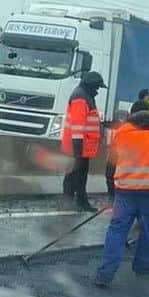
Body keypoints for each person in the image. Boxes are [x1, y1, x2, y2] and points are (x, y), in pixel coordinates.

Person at [94, 102, 149, 287]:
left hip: (125, 191)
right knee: (148, 229)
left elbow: (111, 165)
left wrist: (112, 191)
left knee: (118, 230)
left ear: (132, 114)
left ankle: (105, 274)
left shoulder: (123, 132)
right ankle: (143, 269)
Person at [61, 71, 104, 212]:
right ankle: (75, 201)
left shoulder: (84, 95)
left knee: (76, 174)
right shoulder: (81, 98)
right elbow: (78, 126)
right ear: (91, 85)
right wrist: (78, 151)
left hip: (80, 145)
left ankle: (76, 200)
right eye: (97, 87)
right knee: (76, 174)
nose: (97, 90)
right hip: (78, 146)